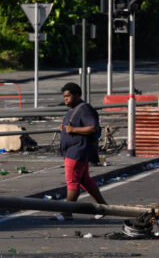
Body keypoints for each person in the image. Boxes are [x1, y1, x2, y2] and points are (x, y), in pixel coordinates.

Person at [56, 82, 107, 220]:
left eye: (68, 96)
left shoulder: (84, 109)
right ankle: (102, 207)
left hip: (77, 150)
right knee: (85, 181)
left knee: (72, 182)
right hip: (76, 150)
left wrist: (73, 130)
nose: (65, 99)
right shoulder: (74, 109)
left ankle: (67, 212)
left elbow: (93, 128)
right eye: (64, 96)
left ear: (77, 95)